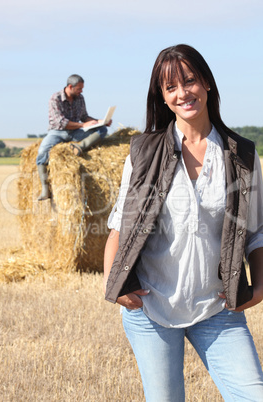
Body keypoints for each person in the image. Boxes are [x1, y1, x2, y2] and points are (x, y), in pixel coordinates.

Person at [103, 44, 263, 401]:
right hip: (152, 309)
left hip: (217, 308)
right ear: (162, 96)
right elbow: (119, 226)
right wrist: (113, 283)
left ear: (206, 82)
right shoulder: (144, 152)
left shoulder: (242, 154)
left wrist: (260, 286)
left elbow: (255, 232)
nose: (182, 93)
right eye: (171, 87)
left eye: (189, 81)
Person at [36, 74, 112, 200]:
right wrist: (83, 124)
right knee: (42, 151)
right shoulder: (55, 98)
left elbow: (84, 116)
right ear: (70, 87)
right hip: (58, 132)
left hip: (76, 131)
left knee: (102, 130)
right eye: (79, 89)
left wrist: (99, 121)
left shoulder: (80, 98)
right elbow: (61, 122)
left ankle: (79, 147)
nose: (81, 91)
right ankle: (45, 189)